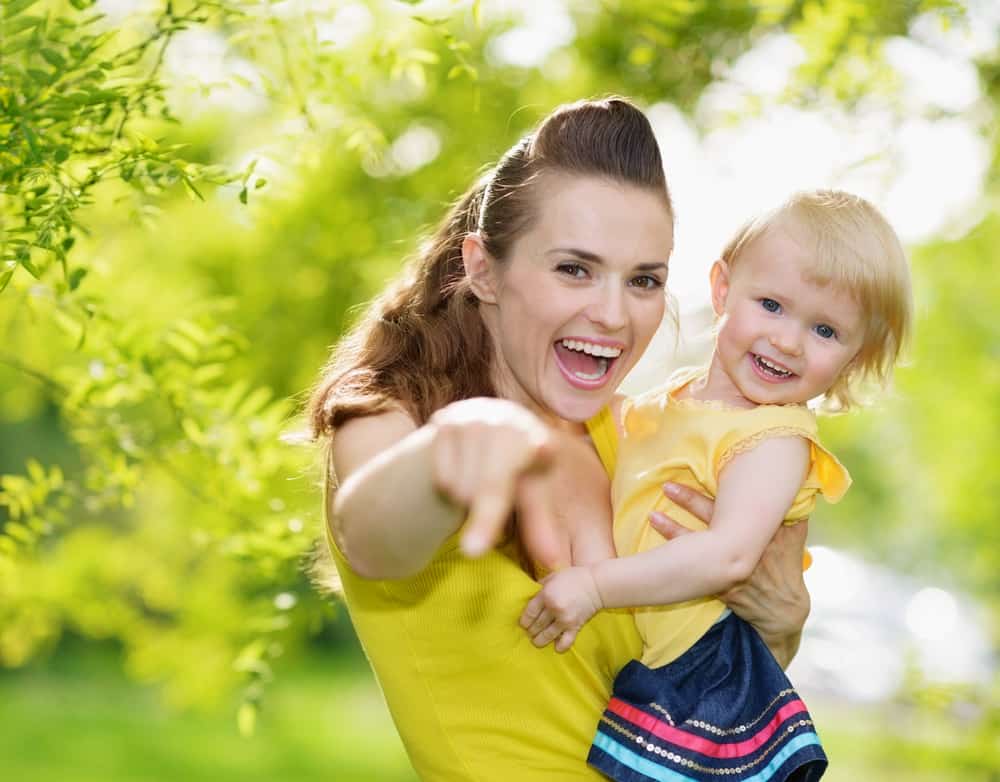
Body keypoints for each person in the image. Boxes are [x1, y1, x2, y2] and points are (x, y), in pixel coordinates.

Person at [308, 97, 814, 781]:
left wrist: (778, 627)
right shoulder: (396, 418)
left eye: (643, 280)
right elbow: (371, 538)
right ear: (483, 269)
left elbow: (686, 684)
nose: (611, 314)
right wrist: (450, 450)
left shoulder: (637, 437)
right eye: (574, 268)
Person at [519, 190, 912, 781]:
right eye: (772, 304)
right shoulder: (670, 402)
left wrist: (596, 586)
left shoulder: (775, 436)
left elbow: (729, 554)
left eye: (825, 330)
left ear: (856, 356)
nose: (787, 340)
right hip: (654, 657)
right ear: (723, 288)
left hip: (706, 674)